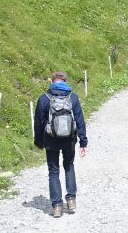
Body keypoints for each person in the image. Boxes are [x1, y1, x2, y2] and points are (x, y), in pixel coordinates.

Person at [34, 72, 88, 218]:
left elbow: (38, 123)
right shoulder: (73, 97)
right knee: (69, 166)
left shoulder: (44, 98)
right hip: (69, 139)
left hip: (50, 140)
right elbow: (80, 121)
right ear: (65, 81)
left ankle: (57, 206)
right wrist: (83, 141)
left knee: (53, 171)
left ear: (52, 81)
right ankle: (71, 200)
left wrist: (38, 142)